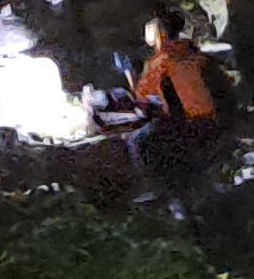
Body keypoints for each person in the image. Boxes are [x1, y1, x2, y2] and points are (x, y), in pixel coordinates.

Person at [92, 15, 224, 199]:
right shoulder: (196, 56)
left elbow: (144, 103)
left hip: (190, 125)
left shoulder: (162, 63)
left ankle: (156, 186)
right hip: (214, 122)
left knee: (136, 140)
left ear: (158, 33)